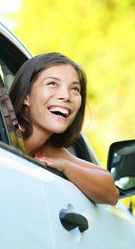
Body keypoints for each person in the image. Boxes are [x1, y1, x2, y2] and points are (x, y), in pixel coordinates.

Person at [9, 52, 119, 205]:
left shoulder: (45, 149)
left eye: (75, 89)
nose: (66, 96)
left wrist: (65, 167)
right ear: (26, 95)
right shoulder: (7, 136)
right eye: (52, 84)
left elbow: (111, 192)